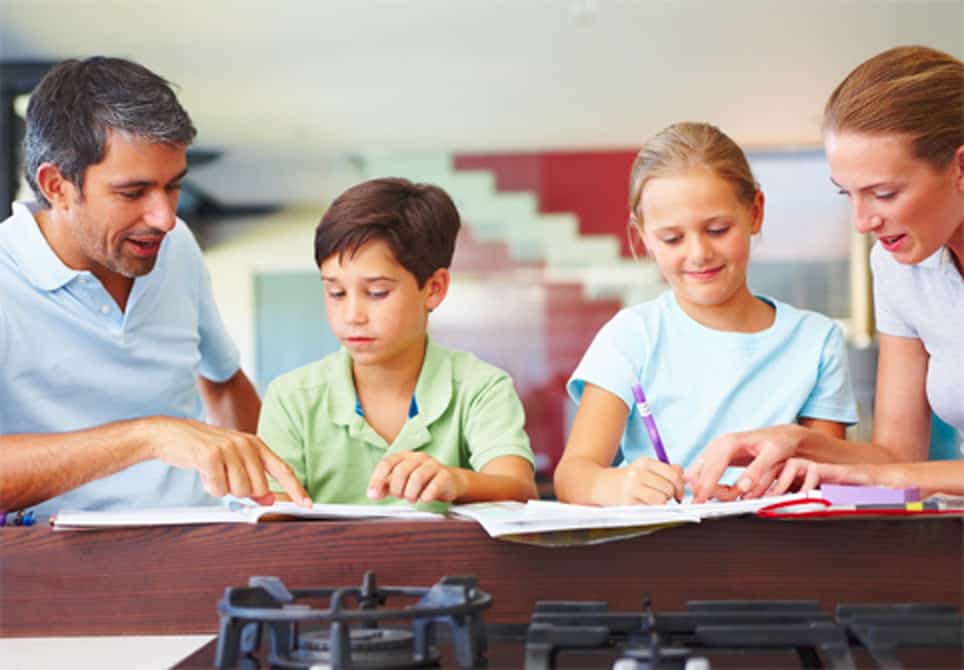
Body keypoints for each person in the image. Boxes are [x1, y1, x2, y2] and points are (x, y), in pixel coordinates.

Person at [0, 57, 310, 518]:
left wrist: (271, 497)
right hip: (57, 569)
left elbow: (224, 384)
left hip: (198, 546)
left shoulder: (177, 246)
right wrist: (149, 437)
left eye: (172, 187)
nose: (164, 218)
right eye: (133, 193)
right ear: (56, 186)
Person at [687, 45, 964, 502]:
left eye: (884, 193)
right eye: (847, 194)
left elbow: (892, 478)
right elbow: (897, 458)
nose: (863, 222)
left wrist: (882, 480)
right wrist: (797, 443)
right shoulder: (900, 267)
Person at [553, 122, 858, 506]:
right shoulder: (630, 336)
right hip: (661, 554)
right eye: (672, 238)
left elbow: (828, 474)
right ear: (643, 236)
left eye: (717, 229)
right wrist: (612, 486)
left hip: (779, 555)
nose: (698, 253)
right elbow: (573, 474)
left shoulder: (816, 341)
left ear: (756, 212)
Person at [257, 177, 538, 506]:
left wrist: (457, 480)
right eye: (335, 292)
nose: (352, 315)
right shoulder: (291, 398)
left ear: (433, 289)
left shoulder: (480, 388)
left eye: (377, 293)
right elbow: (273, 519)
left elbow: (519, 488)